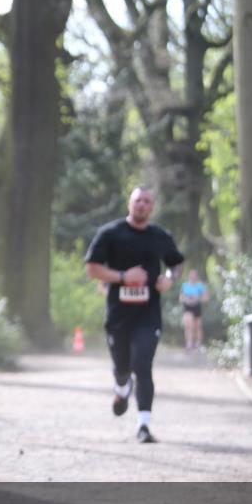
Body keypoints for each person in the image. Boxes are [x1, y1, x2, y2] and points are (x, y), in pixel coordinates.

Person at [85, 186, 184, 443]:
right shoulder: (110, 234)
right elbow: (92, 268)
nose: (141, 204)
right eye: (137, 200)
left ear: (152, 207)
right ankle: (121, 387)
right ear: (130, 203)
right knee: (122, 367)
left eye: (147, 201)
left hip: (148, 315)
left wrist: (170, 280)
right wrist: (122, 277)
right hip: (118, 315)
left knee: (142, 365)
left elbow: (176, 263)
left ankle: (143, 426)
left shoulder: (160, 236)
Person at [179, 269, 209, 351]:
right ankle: (189, 343)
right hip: (188, 307)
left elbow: (206, 298)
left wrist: (197, 298)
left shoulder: (200, 286)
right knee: (188, 325)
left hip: (197, 307)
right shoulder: (185, 285)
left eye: (194, 275)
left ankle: (198, 343)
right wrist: (187, 299)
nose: (193, 277)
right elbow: (181, 298)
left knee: (198, 326)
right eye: (191, 275)